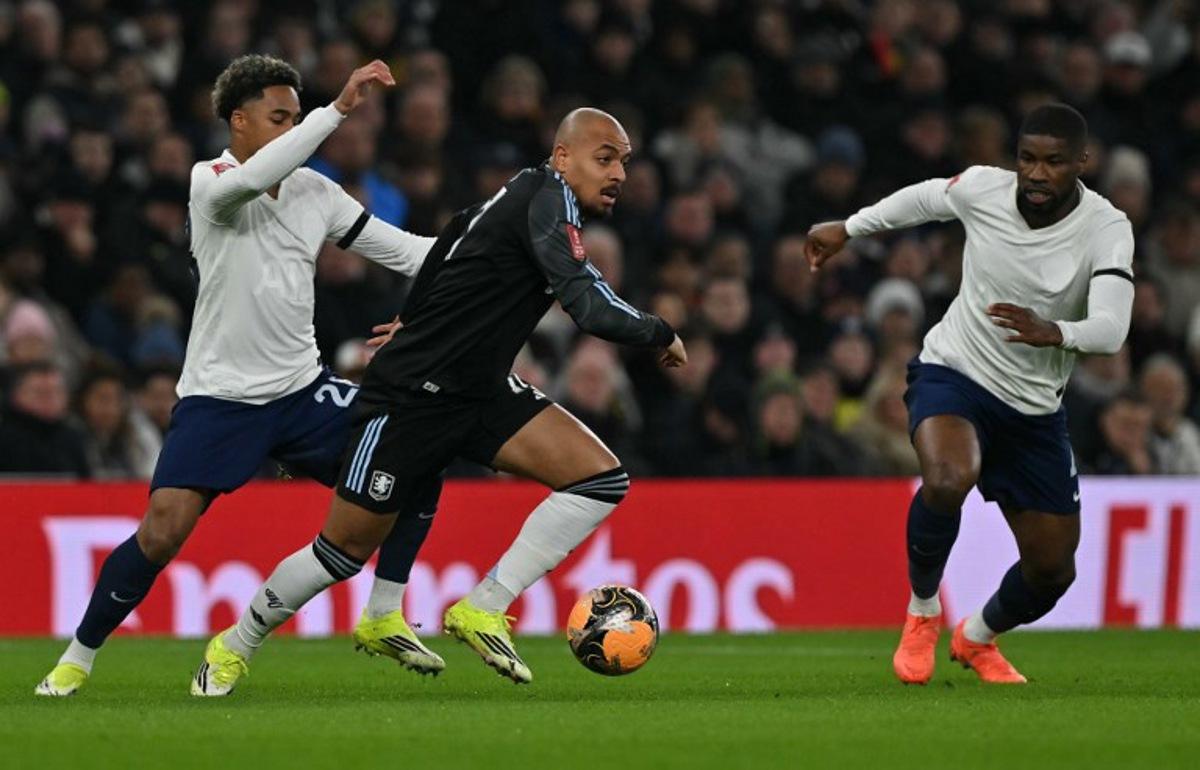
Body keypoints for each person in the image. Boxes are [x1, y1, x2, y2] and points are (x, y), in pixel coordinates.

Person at [195, 107, 685, 694]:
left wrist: (416, 313)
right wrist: (660, 331)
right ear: (562, 157)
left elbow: (456, 230)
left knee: (599, 479)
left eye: (623, 163)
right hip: (412, 398)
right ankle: (234, 644)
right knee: (343, 551)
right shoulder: (545, 199)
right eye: (604, 158)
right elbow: (586, 301)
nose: (619, 174)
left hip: (479, 389)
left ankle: (483, 606)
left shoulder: (529, 196)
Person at [36, 56, 444, 697]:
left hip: (304, 393)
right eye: (277, 117)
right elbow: (254, 178)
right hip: (220, 400)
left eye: (294, 117)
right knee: (162, 533)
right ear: (239, 119)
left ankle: (384, 611)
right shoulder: (210, 184)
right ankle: (77, 659)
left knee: (419, 447)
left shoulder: (317, 194)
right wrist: (335, 111)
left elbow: (411, 253)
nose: (288, 129)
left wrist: (494, 243)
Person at [807, 104, 1134, 685]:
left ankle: (977, 636)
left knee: (1053, 571)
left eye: (1054, 162)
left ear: (1082, 163)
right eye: (1027, 158)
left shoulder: (1107, 228)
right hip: (955, 372)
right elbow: (927, 197)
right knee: (947, 477)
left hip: (1034, 410)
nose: (1036, 173)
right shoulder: (985, 189)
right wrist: (849, 228)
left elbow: (1111, 328)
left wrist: (1054, 331)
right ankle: (923, 611)